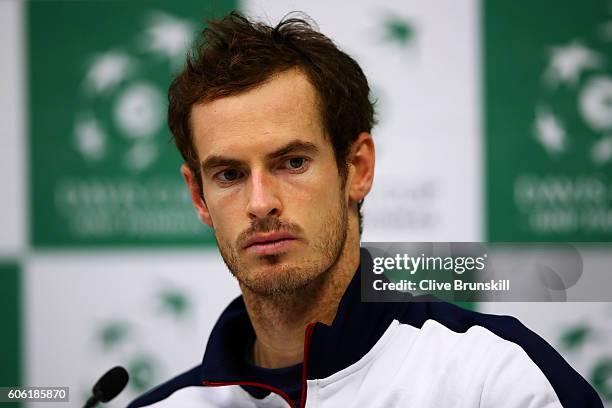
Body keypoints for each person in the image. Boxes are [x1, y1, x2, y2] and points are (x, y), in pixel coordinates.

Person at [128, 11, 603, 408]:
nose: (260, 203)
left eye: (292, 162)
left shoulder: (493, 379)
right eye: (229, 174)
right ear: (198, 196)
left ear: (356, 168)